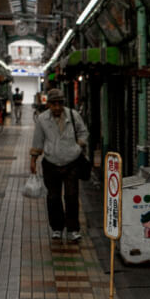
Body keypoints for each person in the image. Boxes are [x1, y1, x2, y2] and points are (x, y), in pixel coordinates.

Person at [30, 88, 88, 241]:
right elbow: (38, 140)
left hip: (72, 162)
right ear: (48, 104)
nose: (57, 107)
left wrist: (79, 146)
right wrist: (33, 160)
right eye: (53, 104)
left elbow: (83, 132)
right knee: (53, 197)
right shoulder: (42, 119)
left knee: (71, 196)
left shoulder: (73, 115)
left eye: (59, 104)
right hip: (51, 163)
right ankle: (57, 228)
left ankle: (73, 229)